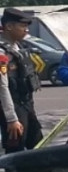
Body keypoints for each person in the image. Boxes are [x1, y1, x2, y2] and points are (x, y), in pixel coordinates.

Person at [0, 8, 43, 153]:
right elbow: (2, 87)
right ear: (9, 26)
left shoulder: (19, 47)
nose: (26, 30)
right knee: (15, 151)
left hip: (27, 105)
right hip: (13, 107)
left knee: (37, 146)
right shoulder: (2, 52)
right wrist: (11, 119)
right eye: (22, 26)